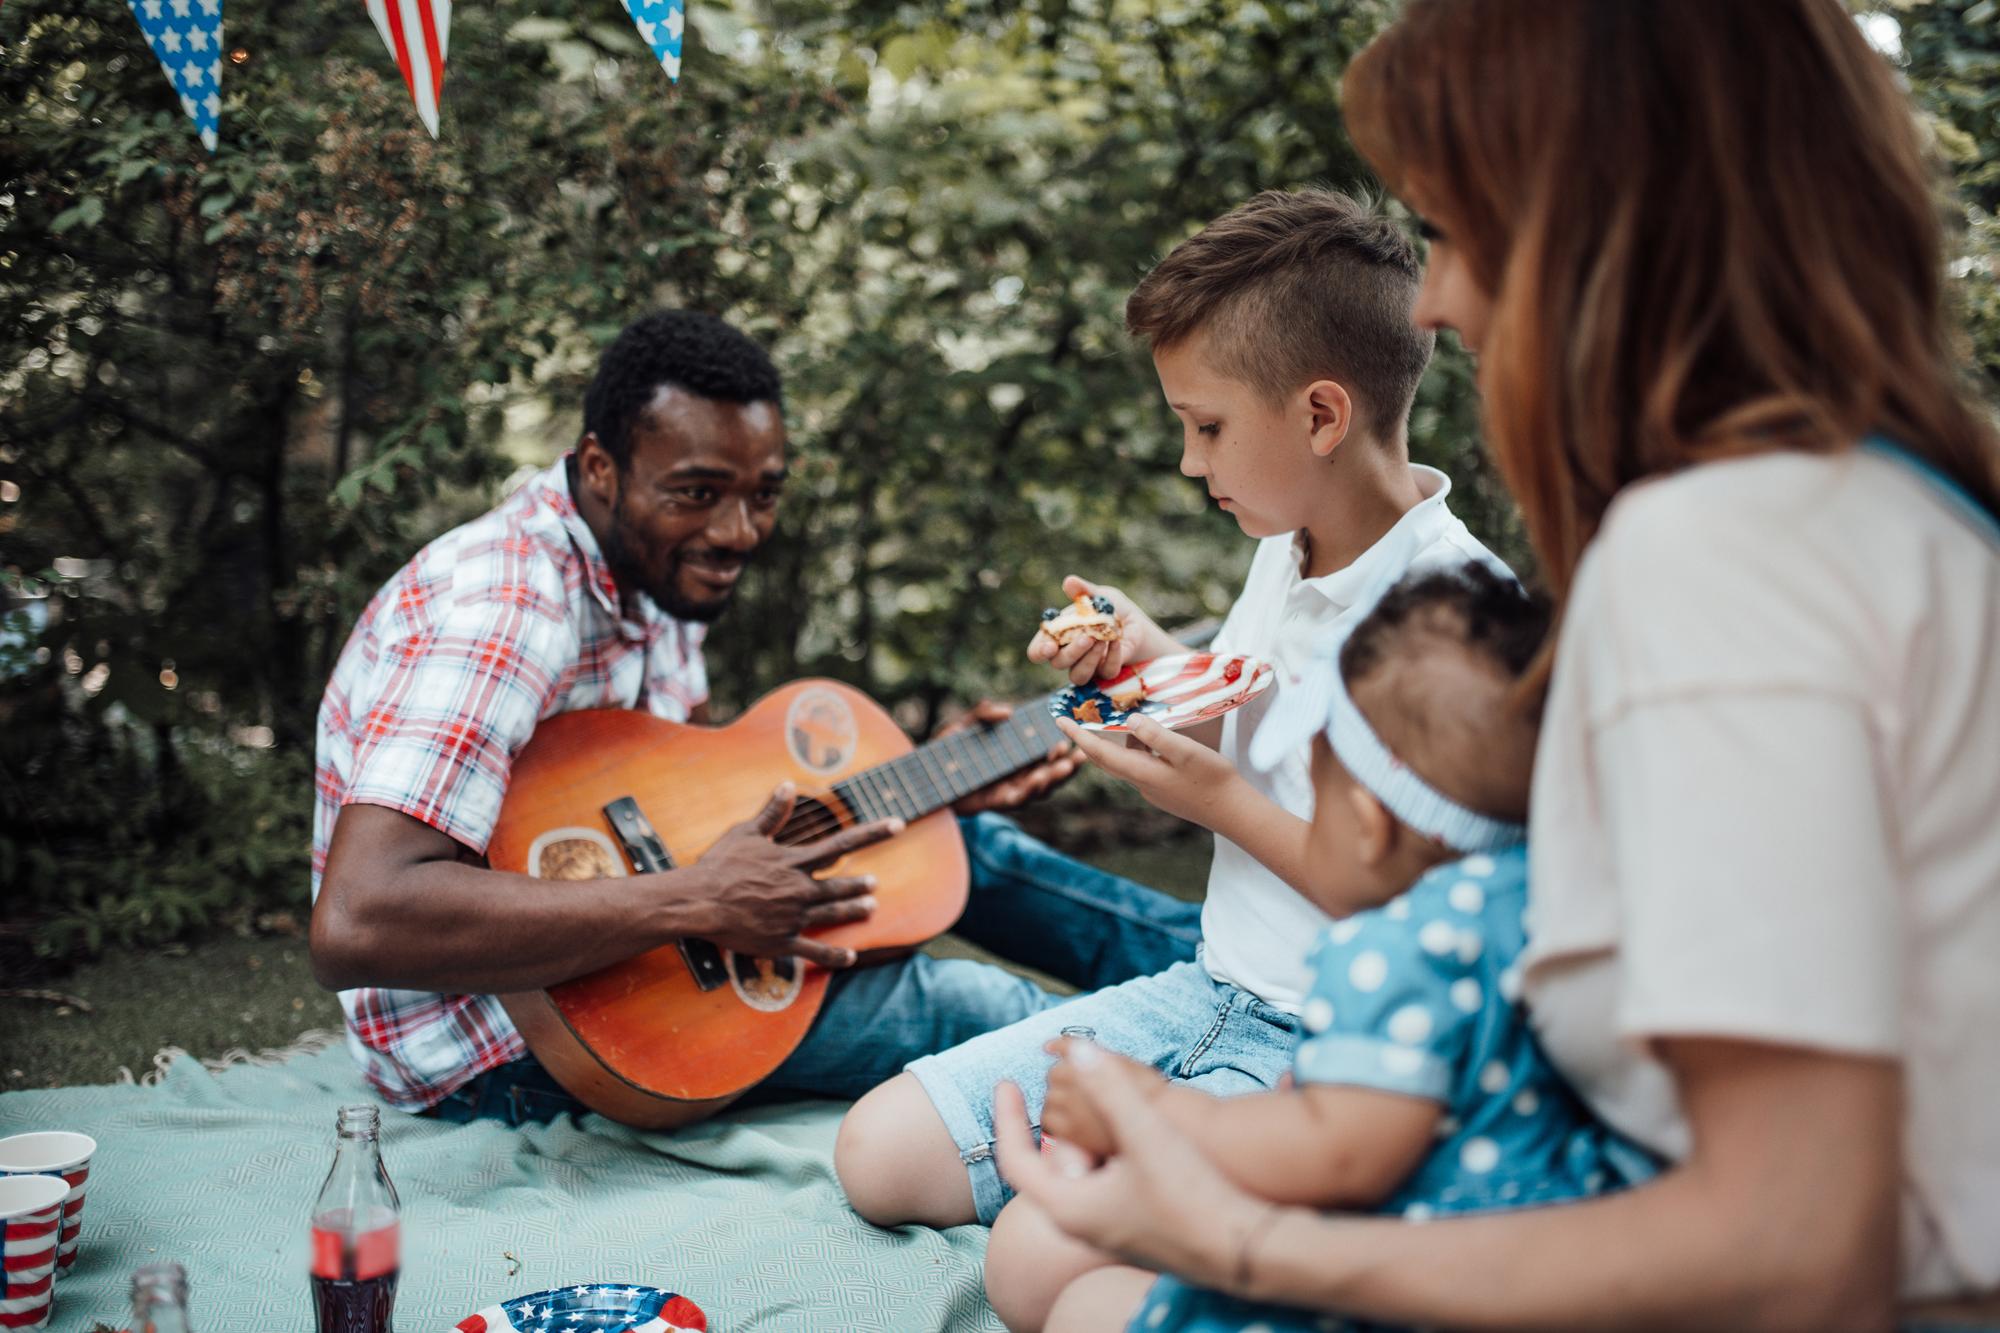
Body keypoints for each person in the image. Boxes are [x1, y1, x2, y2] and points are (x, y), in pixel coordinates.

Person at [990, 2, 2000, 1329]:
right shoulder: (1889, 502)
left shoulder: (1726, 558)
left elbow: (1797, 1244)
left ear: (1613, 237)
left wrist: (1238, 1234)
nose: (1435, 300)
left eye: (1463, 235)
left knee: (1066, 1289)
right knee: (1054, 1260)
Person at [308, 309, 1193, 1125]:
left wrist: (935, 779)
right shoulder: (504, 605)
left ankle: (1249, 981)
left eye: (762, 493)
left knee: (967, 847)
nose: (738, 531)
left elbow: (683, 814)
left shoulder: (648, 572)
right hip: (508, 1039)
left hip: (643, 940)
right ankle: (1211, 1076)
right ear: (600, 468)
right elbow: (360, 918)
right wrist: (696, 898)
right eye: (697, 492)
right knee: (970, 1008)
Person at [836, 188, 1506, 1231]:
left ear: (1320, 414)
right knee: (877, 1156)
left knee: (1036, 1249)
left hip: (1338, 1059)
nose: (1191, 462)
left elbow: (1423, 912)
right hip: (1200, 994)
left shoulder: (1457, 617)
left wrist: (1219, 803)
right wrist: (1143, 656)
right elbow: (1238, 713)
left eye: (1206, 427)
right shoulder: (1281, 550)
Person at [999, 565, 1658, 1332]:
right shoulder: (1542, 902)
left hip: (1392, 1290)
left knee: (1080, 1306)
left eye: (1315, 782)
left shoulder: (1393, 952)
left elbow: (1335, 1153)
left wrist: (1153, 1106)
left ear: (1370, 825)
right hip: (1508, 1266)